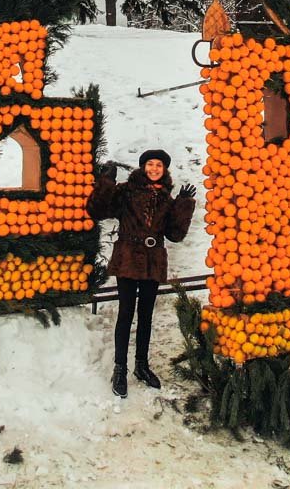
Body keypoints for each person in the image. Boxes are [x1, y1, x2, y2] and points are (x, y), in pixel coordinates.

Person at [87, 149, 195, 398]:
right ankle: (120, 369)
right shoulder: (126, 191)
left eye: (159, 165)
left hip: (152, 261)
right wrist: (106, 183)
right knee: (125, 313)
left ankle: (141, 366)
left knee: (146, 315)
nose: (154, 169)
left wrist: (183, 205)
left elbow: (175, 235)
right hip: (128, 258)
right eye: (150, 164)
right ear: (143, 167)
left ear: (164, 169)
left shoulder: (167, 198)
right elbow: (97, 210)